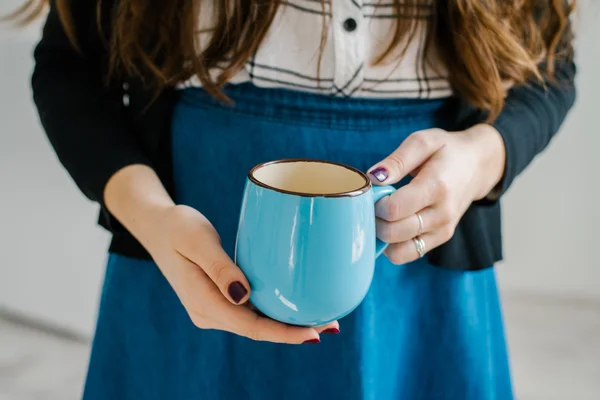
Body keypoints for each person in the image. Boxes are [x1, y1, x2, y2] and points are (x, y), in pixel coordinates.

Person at [11, 0, 576, 398]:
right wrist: (151, 218)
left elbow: (550, 66)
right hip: (188, 249)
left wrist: (482, 157)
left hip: (423, 266)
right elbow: (70, 67)